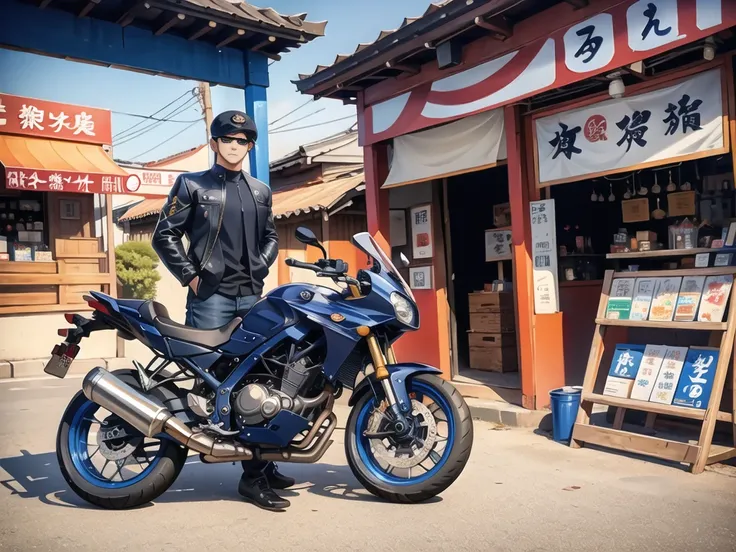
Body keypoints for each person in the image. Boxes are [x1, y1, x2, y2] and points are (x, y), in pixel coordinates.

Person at [152, 110, 293, 511]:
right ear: (215, 143)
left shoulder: (261, 190)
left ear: (250, 146)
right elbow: (164, 235)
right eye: (228, 139)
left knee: (263, 378)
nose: (235, 146)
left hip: (252, 296)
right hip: (211, 297)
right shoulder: (192, 184)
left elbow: (269, 236)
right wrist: (193, 278)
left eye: (243, 140)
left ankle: (260, 466)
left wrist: (262, 266)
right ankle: (243, 468)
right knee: (214, 378)